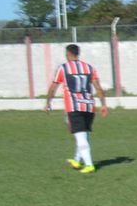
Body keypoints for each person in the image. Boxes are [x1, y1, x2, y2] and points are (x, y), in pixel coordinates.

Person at [44, 44, 110, 174]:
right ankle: (77, 159)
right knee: (83, 134)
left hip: (74, 107)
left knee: (80, 136)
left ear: (68, 54)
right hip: (89, 105)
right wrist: (103, 105)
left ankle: (89, 165)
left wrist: (48, 102)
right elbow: (98, 88)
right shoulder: (89, 68)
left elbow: (53, 87)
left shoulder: (63, 68)